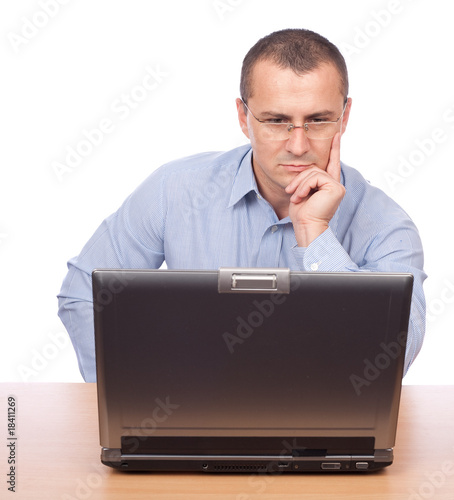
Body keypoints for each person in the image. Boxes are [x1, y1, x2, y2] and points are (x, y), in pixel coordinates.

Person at [58, 28, 426, 383]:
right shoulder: (174, 191)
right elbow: (84, 293)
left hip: (323, 439)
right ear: (243, 117)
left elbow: (390, 358)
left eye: (317, 120)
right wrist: (132, 394)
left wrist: (315, 236)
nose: (298, 145)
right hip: (185, 426)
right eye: (276, 120)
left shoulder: (388, 227)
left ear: (343, 118)